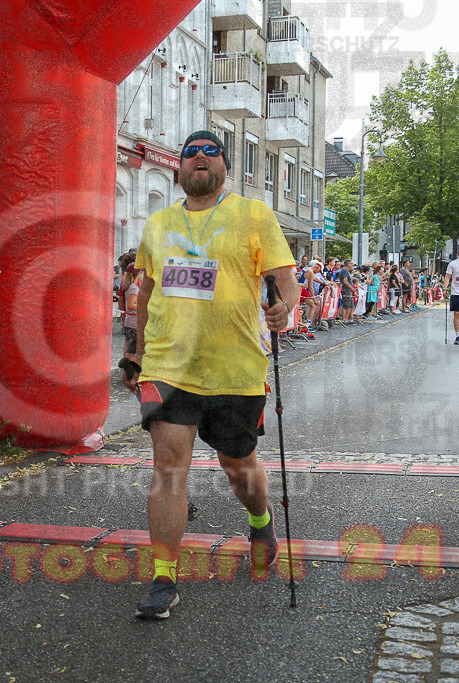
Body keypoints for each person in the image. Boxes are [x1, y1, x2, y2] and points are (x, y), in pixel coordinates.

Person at [122, 130, 298, 619]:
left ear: (225, 165)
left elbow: (285, 282)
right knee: (168, 469)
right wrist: (136, 353)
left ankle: (260, 521)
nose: (200, 158)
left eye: (211, 151)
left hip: (234, 369)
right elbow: (149, 292)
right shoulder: (158, 224)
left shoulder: (253, 216)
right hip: (169, 367)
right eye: (191, 153)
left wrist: (285, 310)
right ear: (179, 169)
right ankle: (163, 577)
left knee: (238, 468)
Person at [337, 258, 355, 322]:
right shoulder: (345, 270)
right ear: (348, 264)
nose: (352, 265)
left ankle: (349, 318)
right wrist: (351, 288)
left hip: (348, 290)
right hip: (346, 290)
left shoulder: (347, 271)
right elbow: (345, 281)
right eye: (351, 263)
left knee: (351, 305)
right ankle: (344, 319)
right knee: (346, 305)